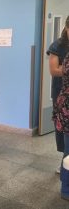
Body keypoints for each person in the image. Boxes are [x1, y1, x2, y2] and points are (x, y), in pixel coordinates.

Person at [47, 16, 69, 174]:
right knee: (63, 129)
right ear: (66, 28)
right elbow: (53, 70)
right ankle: (64, 161)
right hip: (61, 93)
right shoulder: (58, 45)